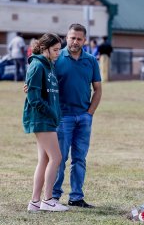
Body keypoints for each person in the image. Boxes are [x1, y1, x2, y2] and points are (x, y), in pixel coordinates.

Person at [52, 24, 102, 208]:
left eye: (79, 38)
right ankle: (53, 196)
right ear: (67, 37)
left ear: (84, 40)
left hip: (83, 117)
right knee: (59, 158)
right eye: (72, 37)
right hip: (63, 117)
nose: (75, 41)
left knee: (79, 159)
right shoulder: (56, 59)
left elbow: (97, 89)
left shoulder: (90, 61)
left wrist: (89, 114)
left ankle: (76, 197)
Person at [24, 33, 69, 212]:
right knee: (56, 157)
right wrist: (52, 113)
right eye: (55, 49)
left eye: (59, 49)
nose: (58, 53)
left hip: (48, 118)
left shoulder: (49, 65)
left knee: (44, 159)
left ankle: (35, 202)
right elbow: (34, 98)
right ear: (44, 48)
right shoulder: (37, 66)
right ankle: (48, 200)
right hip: (41, 119)